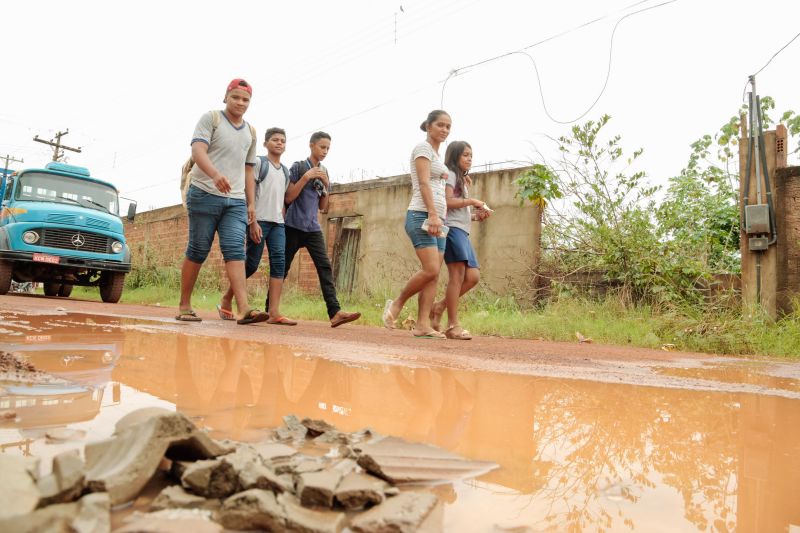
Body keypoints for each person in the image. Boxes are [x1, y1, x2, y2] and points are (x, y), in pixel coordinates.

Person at [176, 78, 268, 325]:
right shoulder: (211, 119)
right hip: (204, 192)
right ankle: (185, 304)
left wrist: (251, 204)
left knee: (236, 251)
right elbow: (198, 151)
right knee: (198, 249)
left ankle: (244, 308)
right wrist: (215, 175)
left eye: (245, 99)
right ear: (226, 97)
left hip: (235, 201)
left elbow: (249, 170)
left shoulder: (250, 132)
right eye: (235, 97)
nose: (240, 102)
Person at [273, 131, 361, 328]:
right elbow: (288, 198)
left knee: (324, 267)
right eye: (322, 147)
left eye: (328, 148)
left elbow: (323, 207)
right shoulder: (298, 167)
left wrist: (327, 186)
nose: (325, 151)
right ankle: (270, 309)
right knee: (283, 268)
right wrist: (306, 178)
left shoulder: (324, 171)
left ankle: (335, 312)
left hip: (313, 228)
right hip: (292, 226)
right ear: (311, 146)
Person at [382, 110, 452, 338]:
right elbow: (423, 182)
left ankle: (423, 324)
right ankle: (398, 303)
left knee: (434, 274)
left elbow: (438, 184)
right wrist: (432, 213)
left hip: (438, 220)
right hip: (421, 215)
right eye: (440, 125)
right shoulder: (422, 149)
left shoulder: (437, 156)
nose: (444, 130)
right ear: (429, 126)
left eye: (448, 126)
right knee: (430, 268)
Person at [218, 127, 297, 325]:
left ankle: (274, 313)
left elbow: (282, 199)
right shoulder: (260, 163)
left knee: (279, 263)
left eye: (283, 141)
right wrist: (252, 222)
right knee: (252, 263)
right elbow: (248, 191)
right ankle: (227, 299)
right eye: (275, 140)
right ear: (265, 144)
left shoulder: (285, 171)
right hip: (258, 221)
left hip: (278, 223)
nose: (279, 143)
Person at [430, 141, 491, 340]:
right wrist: (473, 201)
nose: (470, 158)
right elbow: (447, 202)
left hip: (462, 231)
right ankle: (453, 326)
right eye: (465, 155)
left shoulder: (462, 179)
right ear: (455, 156)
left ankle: (439, 307)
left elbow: (457, 210)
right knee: (457, 277)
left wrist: (474, 216)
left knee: (472, 277)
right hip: (452, 231)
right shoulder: (451, 174)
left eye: (471, 155)